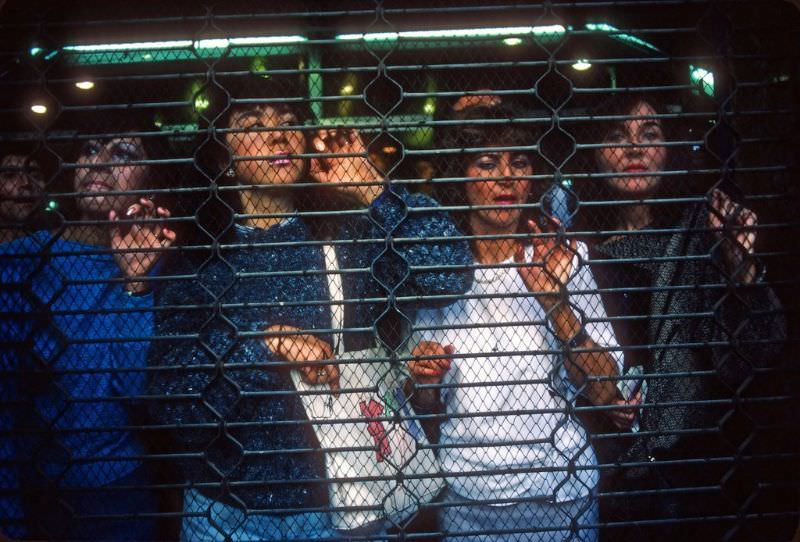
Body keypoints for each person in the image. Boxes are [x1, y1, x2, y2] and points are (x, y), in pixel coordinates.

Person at [147, 74, 472, 540]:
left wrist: (372, 190)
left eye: (288, 122)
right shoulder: (198, 258)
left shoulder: (349, 235)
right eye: (253, 125)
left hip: (339, 509)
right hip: (224, 514)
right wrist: (264, 345)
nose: (278, 135)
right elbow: (172, 396)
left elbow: (448, 276)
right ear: (222, 159)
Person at [408, 101, 633, 542]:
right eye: (487, 163)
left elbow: (607, 391)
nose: (506, 177)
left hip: (561, 492)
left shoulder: (563, 258)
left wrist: (555, 303)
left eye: (520, 162)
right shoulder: (437, 272)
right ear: (460, 176)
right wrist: (425, 376)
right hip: (468, 498)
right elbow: (424, 403)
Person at [576, 91, 786, 541]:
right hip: (608, 472)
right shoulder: (575, 248)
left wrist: (742, 268)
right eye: (617, 136)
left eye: (649, 135)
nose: (634, 149)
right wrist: (599, 396)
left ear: (669, 149)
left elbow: (757, 350)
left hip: (694, 469)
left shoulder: (702, 232)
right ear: (594, 154)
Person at [0, 113, 176, 540]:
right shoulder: (21, 261)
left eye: (123, 154)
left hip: (123, 491)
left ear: (150, 180)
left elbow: (138, 391)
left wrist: (136, 284)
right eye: (90, 149)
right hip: (35, 486)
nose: (98, 163)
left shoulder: (164, 263)